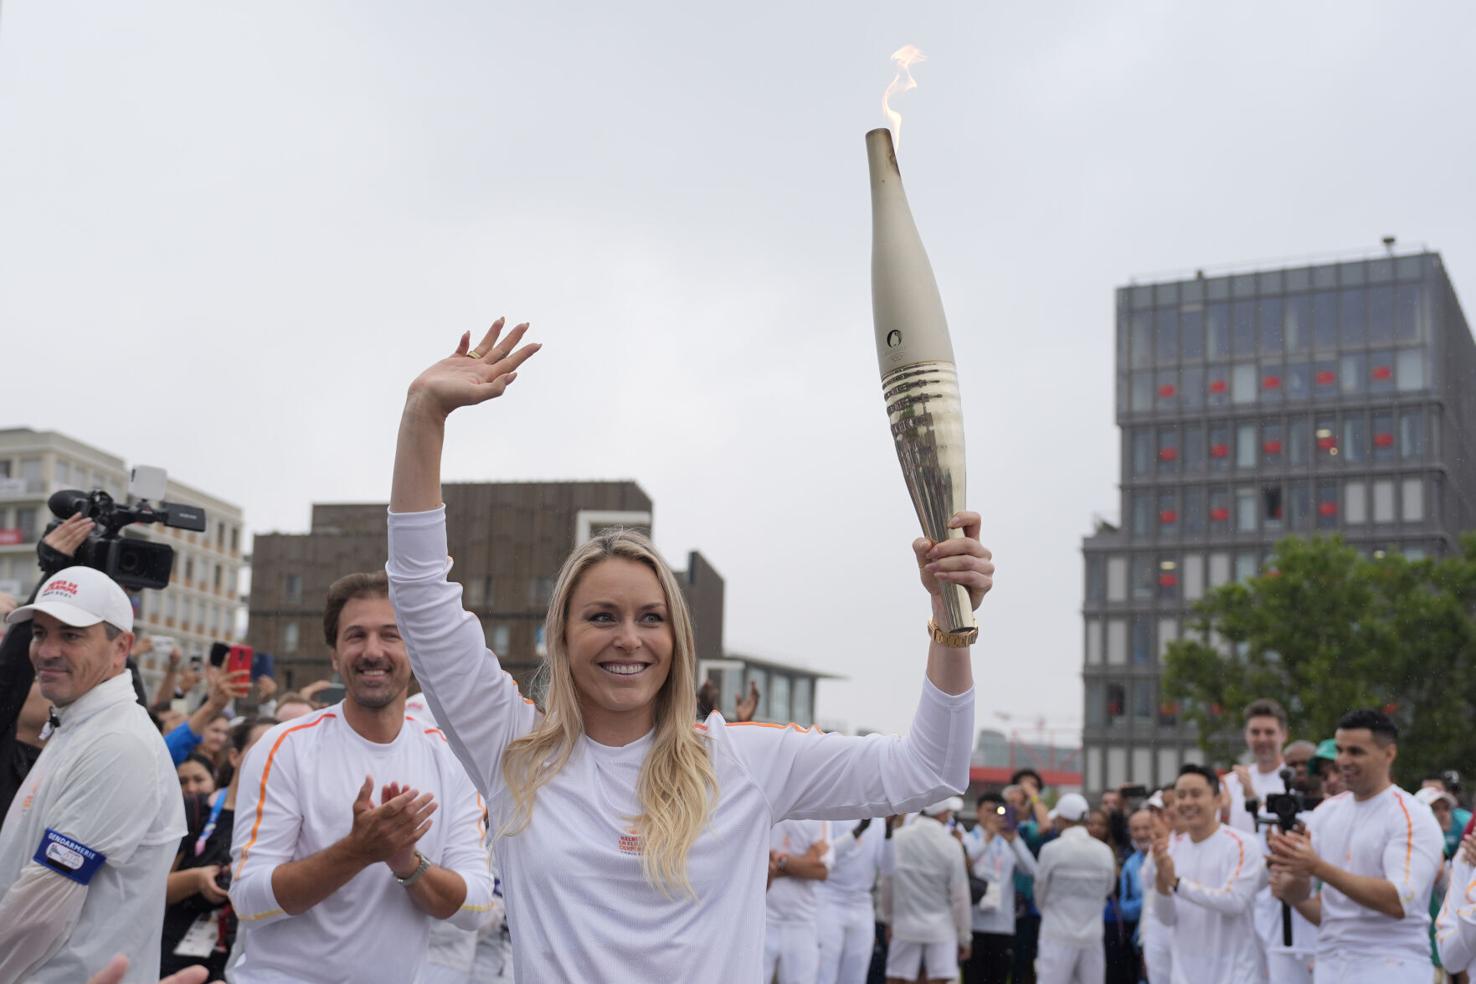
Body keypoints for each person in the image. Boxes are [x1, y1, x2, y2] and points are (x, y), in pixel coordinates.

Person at [385, 320, 991, 981]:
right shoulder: (512, 751)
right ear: (561, 636)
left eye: (651, 617)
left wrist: (948, 620)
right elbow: (421, 599)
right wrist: (424, 416)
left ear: (678, 639)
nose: (628, 638)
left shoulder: (741, 760)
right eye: (600, 616)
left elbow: (932, 770)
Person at [228, 571, 495, 984]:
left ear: (416, 648)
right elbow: (249, 900)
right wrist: (357, 850)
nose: (373, 651)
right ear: (335, 656)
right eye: (356, 636)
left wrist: (407, 862)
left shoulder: (451, 757)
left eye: (391, 635)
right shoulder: (284, 747)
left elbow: (475, 907)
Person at [0, 566, 185, 982]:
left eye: (71, 635)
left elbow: (39, 911)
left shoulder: (118, 743)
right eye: (39, 633)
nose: (46, 651)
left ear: (121, 648)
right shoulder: (79, 726)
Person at [1268, 709, 1444, 984]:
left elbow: (1398, 901)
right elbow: (1322, 910)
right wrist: (1292, 868)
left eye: (1355, 752)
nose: (1343, 761)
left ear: (1389, 754)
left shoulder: (1412, 816)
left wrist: (1317, 867)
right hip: (1331, 965)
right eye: (1340, 750)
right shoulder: (1326, 813)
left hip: (1392, 966)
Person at [161, 716, 276, 978]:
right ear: (234, 756)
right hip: (175, 960)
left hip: (244, 966)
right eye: (263, 748)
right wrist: (197, 879)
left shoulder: (284, 823)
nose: (273, 757)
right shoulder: (196, 809)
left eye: (282, 749)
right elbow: (150, 889)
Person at [1151, 764, 1267, 983]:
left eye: (1196, 794)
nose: (1187, 803)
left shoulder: (1242, 845)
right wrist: (1161, 881)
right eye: (1181, 795)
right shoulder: (1172, 848)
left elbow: (1235, 902)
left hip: (1234, 975)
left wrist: (1176, 883)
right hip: (1184, 975)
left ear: (1217, 798)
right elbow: (1166, 918)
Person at [884, 797, 971, 983]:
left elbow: (888, 882)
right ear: (942, 813)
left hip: (904, 924)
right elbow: (960, 896)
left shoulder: (899, 837)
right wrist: (964, 936)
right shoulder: (951, 844)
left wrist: (889, 920)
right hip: (941, 927)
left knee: (897, 978)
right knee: (939, 979)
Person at [1034, 792, 1116, 984]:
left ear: (1062, 818)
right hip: (1092, 935)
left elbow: (1040, 892)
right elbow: (1109, 889)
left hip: (1057, 933)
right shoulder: (1104, 852)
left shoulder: (1051, 850)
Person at [963, 791, 1038, 984]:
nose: (993, 817)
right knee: (974, 978)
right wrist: (987, 837)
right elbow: (965, 864)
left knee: (999, 978)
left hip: (1003, 924)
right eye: (988, 811)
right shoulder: (968, 838)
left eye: (998, 812)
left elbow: (1032, 870)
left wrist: (1014, 840)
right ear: (978, 812)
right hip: (974, 923)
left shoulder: (1009, 842)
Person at [817, 816, 893, 984]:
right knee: (825, 974)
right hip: (829, 898)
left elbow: (888, 868)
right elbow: (825, 856)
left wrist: (889, 830)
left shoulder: (879, 819)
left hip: (862, 902)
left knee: (856, 976)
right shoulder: (834, 813)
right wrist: (857, 831)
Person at [767, 818, 835, 984]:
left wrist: (780, 861)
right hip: (763, 918)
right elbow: (755, 866)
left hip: (802, 921)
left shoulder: (819, 814)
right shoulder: (766, 805)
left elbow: (821, 871)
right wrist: (805, 861)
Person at [1005, 771, 1054, 984]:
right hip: (999, 905)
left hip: (1027, 905)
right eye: (1010, 802)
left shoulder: (1028, 828)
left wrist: (1032, 794)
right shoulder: (994, 828)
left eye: (1019, 801)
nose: (1014, 806)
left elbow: (1046, 825)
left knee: (1024, 962)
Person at [1139, 789, 1182, 984]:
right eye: (1156, 812)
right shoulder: (1156, 845)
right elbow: (1147, 882)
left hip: (1184, 927)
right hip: (1157, 927)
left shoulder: (1193, 840)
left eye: (1164, 810)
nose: (1160, 816)